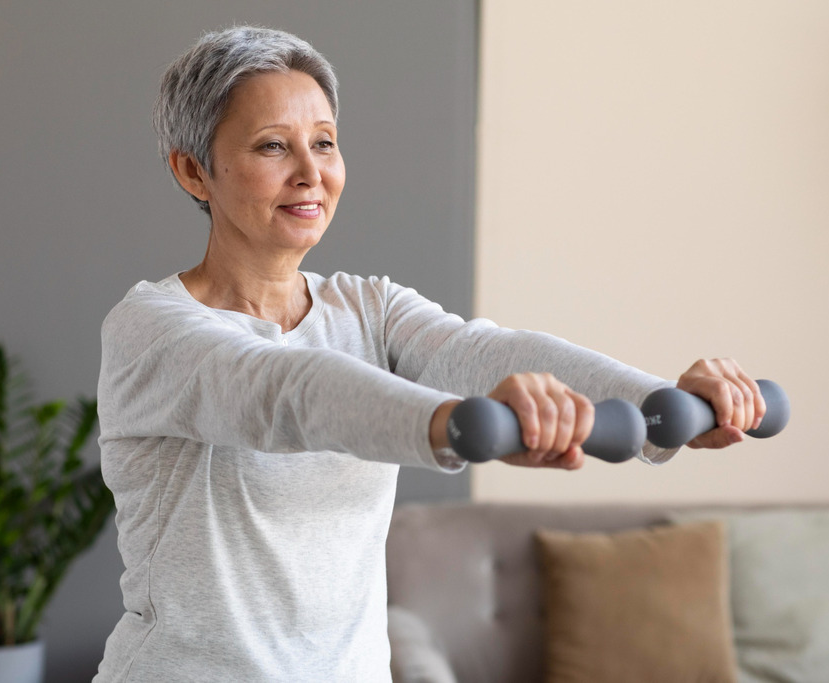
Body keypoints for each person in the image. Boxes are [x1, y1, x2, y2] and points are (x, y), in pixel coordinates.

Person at [93, 25, 766, 682]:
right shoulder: (152, 330)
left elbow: (487, 351)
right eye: (274, 146)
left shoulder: (368, 307)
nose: (311, 173)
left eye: (324, 143)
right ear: (193, 170)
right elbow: (288, 391)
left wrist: (658, 403)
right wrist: (461, 426)